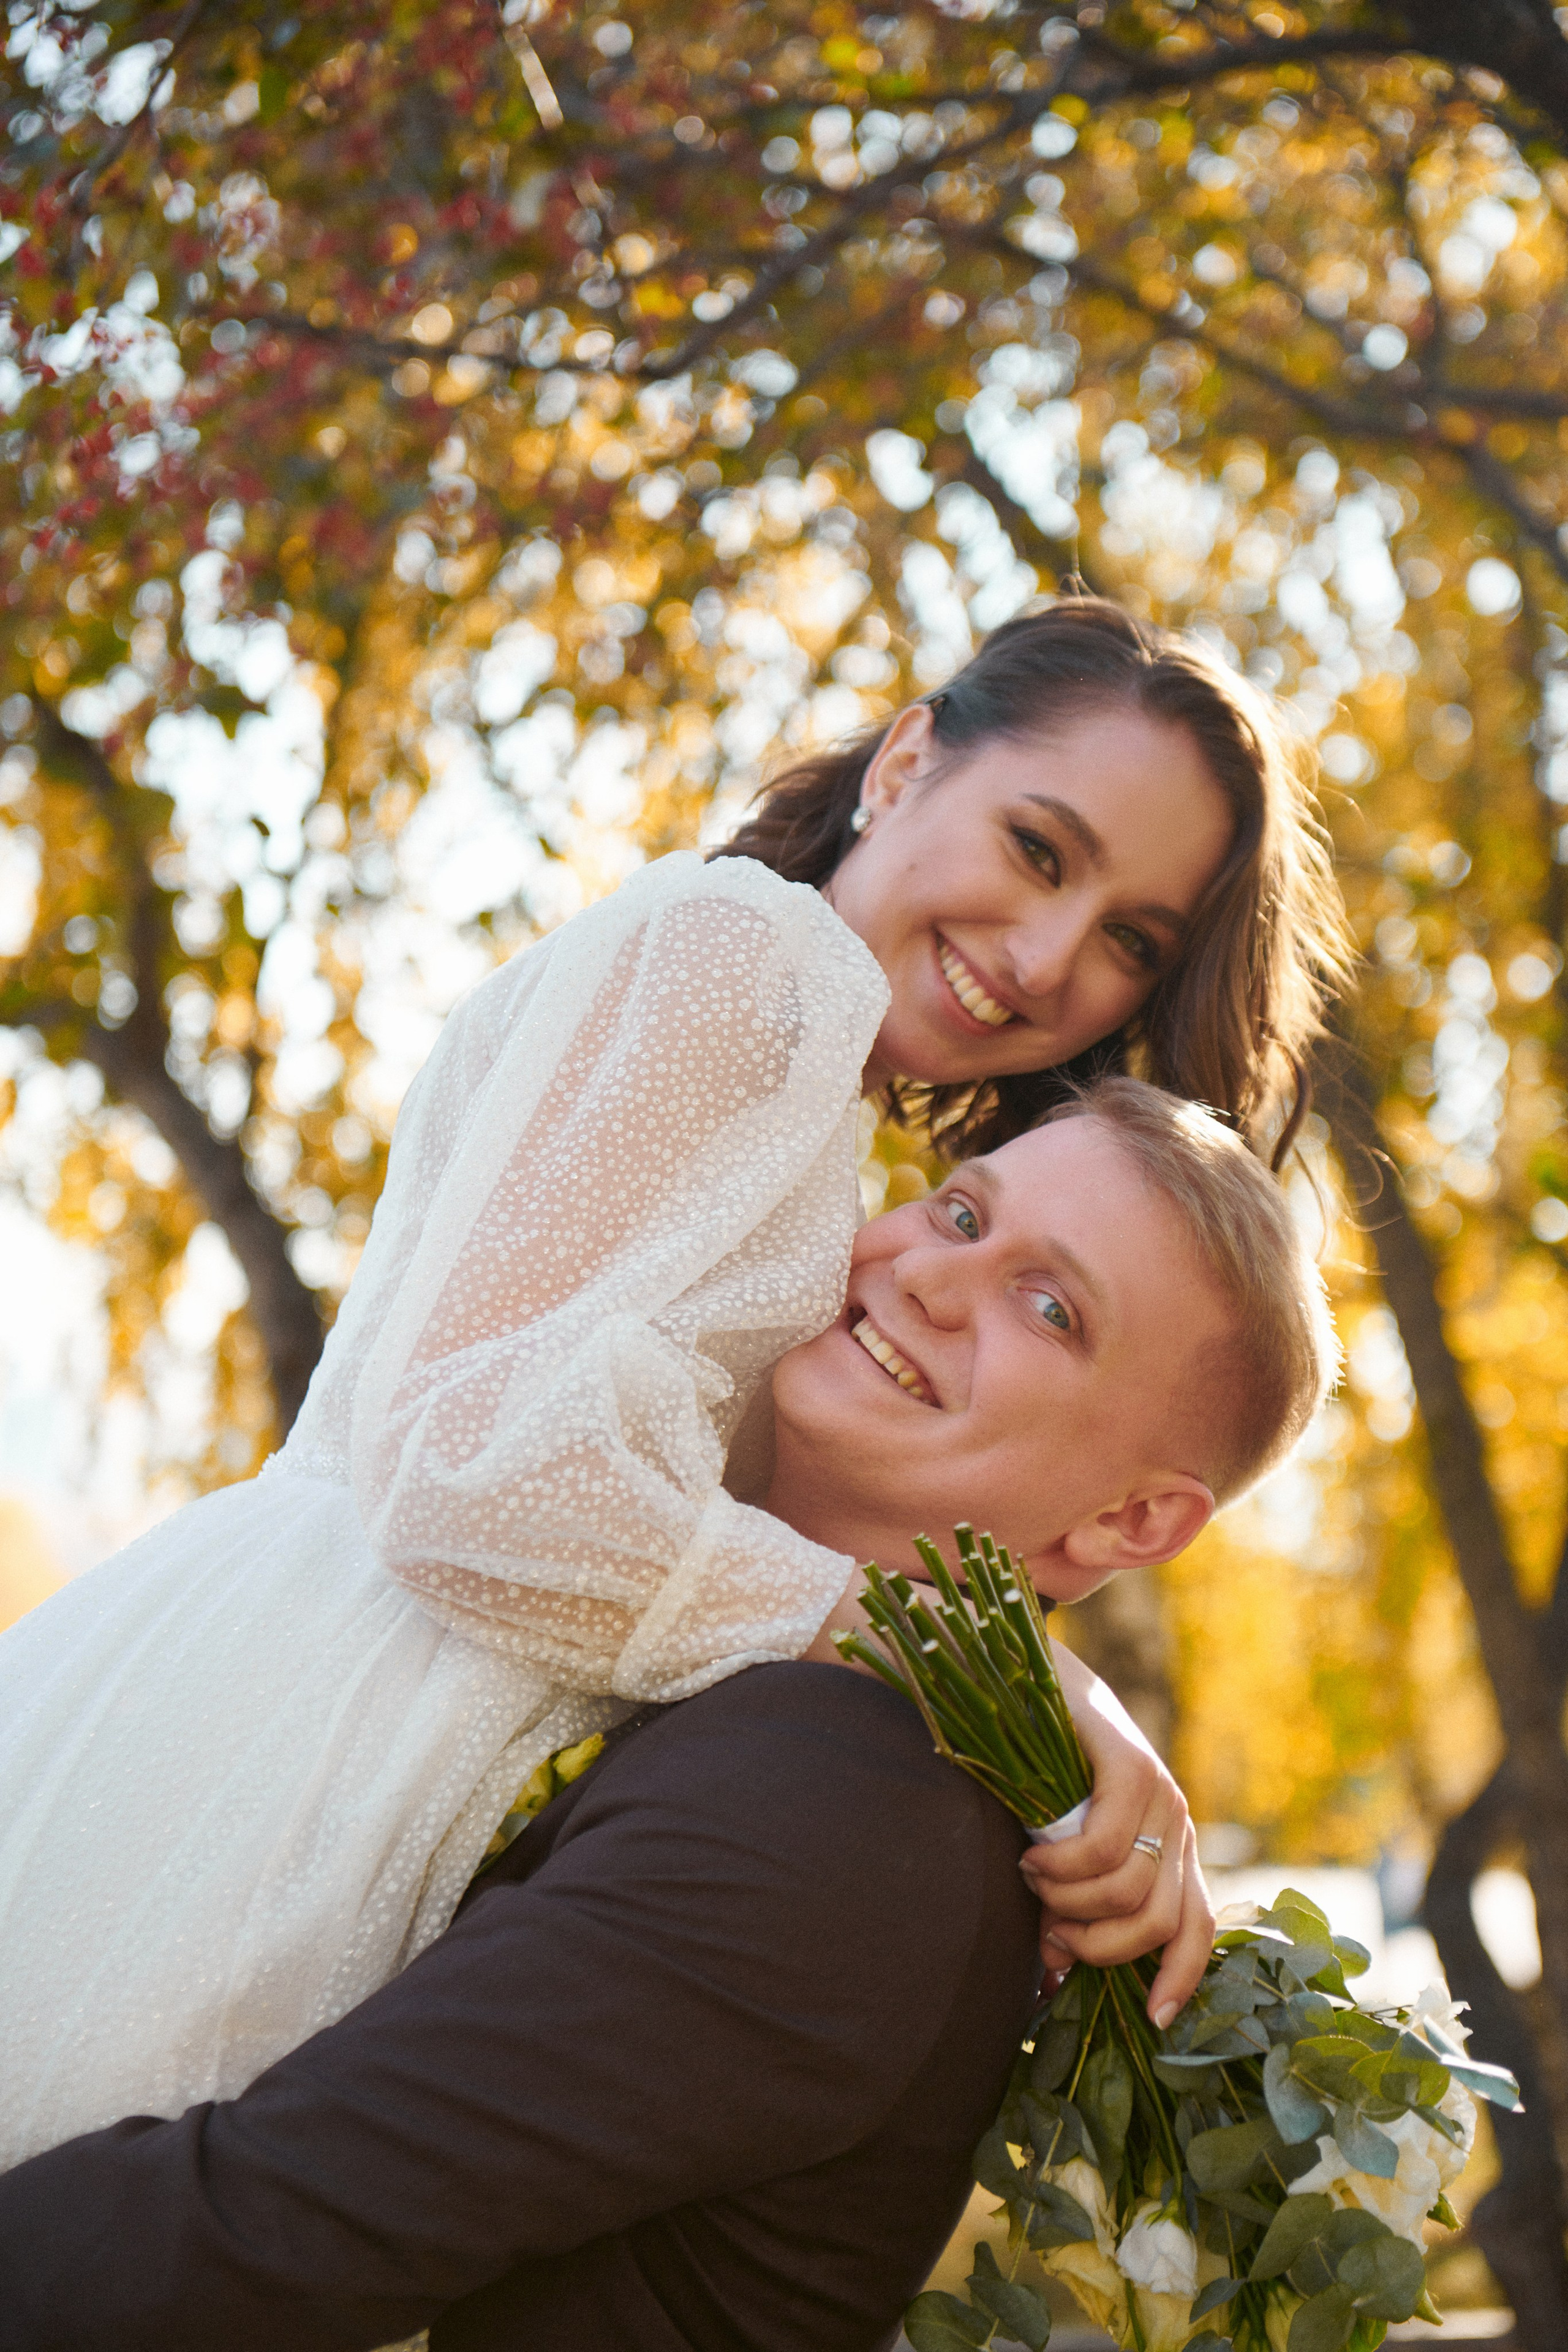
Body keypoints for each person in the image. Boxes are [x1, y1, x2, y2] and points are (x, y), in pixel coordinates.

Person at [0, 598, 1346, 2168]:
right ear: (907, 762)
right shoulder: (741, 959)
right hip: (295, 1756)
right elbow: (469, 1473)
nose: (1050, 956)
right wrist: (975, 1674)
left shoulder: (813, 1112)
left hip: (355, 1746)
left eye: (1130, 940)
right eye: (1039, 850)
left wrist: (1062, 1711)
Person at [0, 1081, 1337, 2352]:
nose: (928, 1277)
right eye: (961, 1212)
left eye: (1046, 1309)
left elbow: (260, 2233)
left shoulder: (848, 1802)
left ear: (1126, 1522)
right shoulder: (717, 1669)